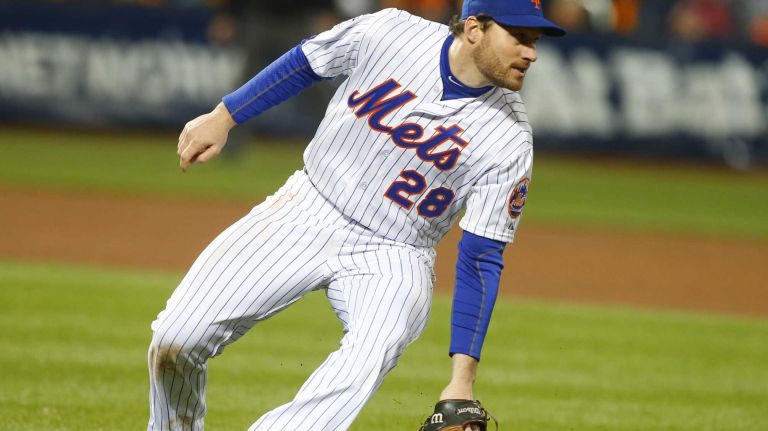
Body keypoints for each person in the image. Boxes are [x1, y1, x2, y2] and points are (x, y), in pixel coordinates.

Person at [147, 0, 564, 429]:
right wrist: (224, 116)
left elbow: (481, 258)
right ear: (474, 29)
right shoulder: (391, 32)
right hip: (309, 205)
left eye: (534, 41)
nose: (531, 53)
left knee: (371, 350)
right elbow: (306, 62)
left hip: (396, 253)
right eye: (519, 37)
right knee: (177, 338)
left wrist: (463, 380)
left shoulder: (511, 140)